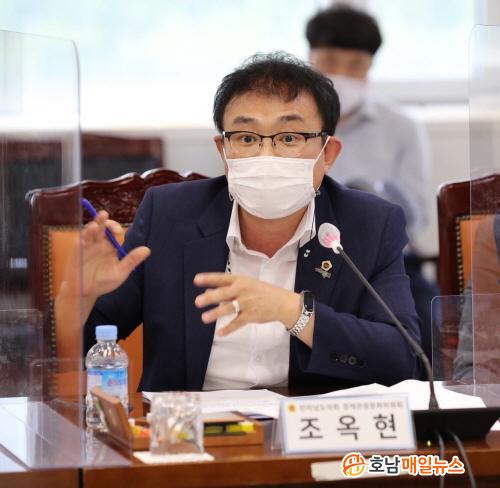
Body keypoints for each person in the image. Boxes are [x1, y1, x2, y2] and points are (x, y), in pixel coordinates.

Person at [57, 52, 421, 392]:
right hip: (186, 430)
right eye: (247, 138)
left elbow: (404, 360)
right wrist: (78, 297)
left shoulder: (369, 225)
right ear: (224, 151)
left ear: (328, 154)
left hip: (309, 431)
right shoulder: (169, 216)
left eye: (289, 137)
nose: (266, 154)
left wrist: (292, 311)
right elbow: (70, 353)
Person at [306, 4, 436, 360]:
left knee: (428, 331)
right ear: (309, 58)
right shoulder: (287, 126)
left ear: (370, 67)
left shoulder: (401, 127)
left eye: (355, 65)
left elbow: (418, 217)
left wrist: (374, 200)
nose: (341, 74)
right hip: (306, 259)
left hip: (387, 262)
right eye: (329, 61)